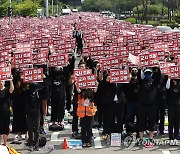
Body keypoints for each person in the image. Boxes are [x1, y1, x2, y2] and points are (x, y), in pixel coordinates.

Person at [137, 67, 161, 146]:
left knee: (152, 122)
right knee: (141, 122)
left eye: (149, 73)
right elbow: (138, 77)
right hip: (142, 105)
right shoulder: (141, 82)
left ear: (151, 74)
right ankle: (141, 139)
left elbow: (159, 76)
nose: (148, 75)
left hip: (152, 106)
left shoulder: (154, 82)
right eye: (146, 73)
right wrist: (139, 69)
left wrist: (158, 67)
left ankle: (151, 138)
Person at [23, 82, 43, 151]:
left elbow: (43, 87)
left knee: (37, 130)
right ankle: (31, 144)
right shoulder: (26, 93)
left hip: (37, 113)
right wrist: (25, 82)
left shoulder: (38, 93)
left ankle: (36, 144)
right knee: (30, 130)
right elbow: (23, 90)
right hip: (29, 113)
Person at [70, 62, 86, 138]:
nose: (81, 68)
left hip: (85, 97)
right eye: (80, 67)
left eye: (83, 66)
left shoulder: (88, 76)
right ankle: (75, 130)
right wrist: (73, 80)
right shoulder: (75, 76)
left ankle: (84, 129)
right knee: (75, 114)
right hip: (77, 96)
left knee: (85, 115)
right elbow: (70, 83)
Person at [123, 67, 139, 137]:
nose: (134, 71)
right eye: (133, 70)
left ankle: (138, 132)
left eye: (135, 70)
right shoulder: (128, 81)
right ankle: (129, 131)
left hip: (138, 102)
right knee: (129, 118)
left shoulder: (139, 81)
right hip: (130, 102)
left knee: (139, 118)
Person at [166, 78, 180, 145]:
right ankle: (171, 138)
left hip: (178, 106)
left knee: (177, 123)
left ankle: (176, 138)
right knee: (171, 123)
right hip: (171, 106)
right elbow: (167, 87)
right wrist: (169, 77)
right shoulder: (169, 83)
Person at [0, 79, 14, 145]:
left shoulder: (7, 89)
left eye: (2, 81)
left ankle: (5, 143)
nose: (1, 83)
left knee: (5, 127)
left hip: (6, 111)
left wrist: (11, 80)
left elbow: (12, 89)